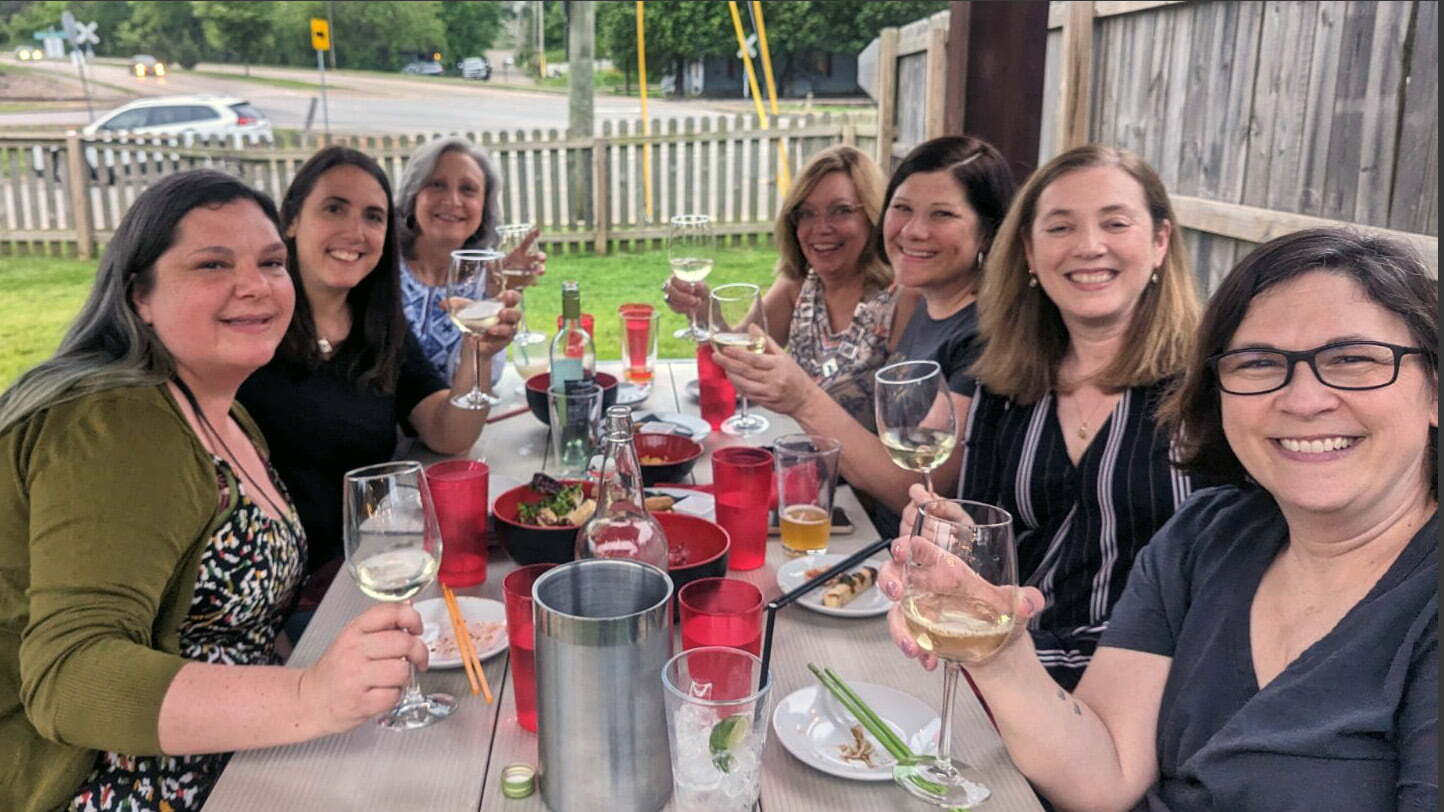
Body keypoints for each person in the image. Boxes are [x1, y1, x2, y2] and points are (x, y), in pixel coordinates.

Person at [882, 228, 1438, 809]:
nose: (1303, 399)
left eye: (1352, 360)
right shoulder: (1206, 535)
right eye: (1258, 363)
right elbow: (1105, 775)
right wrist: (997, 647)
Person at [0, 170, 429, 812]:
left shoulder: (223, 412)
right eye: (212, 264)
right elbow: (72, 677)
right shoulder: (116, 421)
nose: (255, 285)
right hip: (117, 781)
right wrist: (311, 695)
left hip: (246, 742)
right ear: (139, 294)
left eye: (270, 262)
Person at [907, 144, 1203, 689]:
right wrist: (951, 541)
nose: (1089, 247)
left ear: (1160, 241)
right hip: (1002, 667)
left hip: (1142, 697)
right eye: (1061, 228)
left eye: (1115, 223)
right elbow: (989, 544)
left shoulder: (1212, 393)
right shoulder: (1004, 384)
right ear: (1028, 250)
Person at [238, 146, 518, 588]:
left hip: (371, 561)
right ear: (290, 219)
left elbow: (449, 434)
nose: (356, 232)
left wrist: (476, 357)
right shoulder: (249, 326)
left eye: (372, 217)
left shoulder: (379, 325)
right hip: (283, 591)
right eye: (334, 208)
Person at [715, 136, 1016, 533]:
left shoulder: (982, 335)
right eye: (903, 209)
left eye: (942, 214)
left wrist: (802, 397)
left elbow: (917, 488)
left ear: (989, 231)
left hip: (921, 563)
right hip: (866, 532)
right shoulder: (927, 304)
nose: (914, 231)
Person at [662, 145, 915, 420]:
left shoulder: (901, 300)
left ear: (873, 216)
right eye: (806, 213)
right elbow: (738, 358)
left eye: (840, 211)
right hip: (804, 451)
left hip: (868, 461)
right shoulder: (800, 285)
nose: (820, 228)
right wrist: (704, 311)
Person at [394, 136, 544, 380]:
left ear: (484, 207)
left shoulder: (488, 276)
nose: (452, 201)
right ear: (413, 196)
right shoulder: (380, 268)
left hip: (456, 417)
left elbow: (487, 381)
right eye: (436, 184)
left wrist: (497, 296)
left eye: (468, 189)